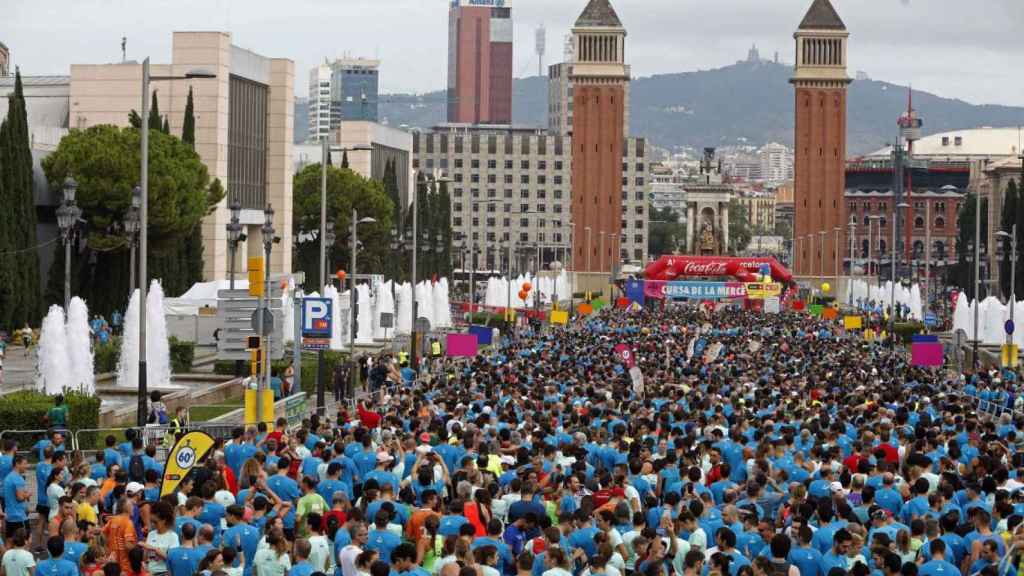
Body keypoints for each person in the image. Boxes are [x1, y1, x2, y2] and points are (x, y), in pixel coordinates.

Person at [104, 496, 139, 574]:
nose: (133, 508)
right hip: (124, 566)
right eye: (132, 505)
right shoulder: (128, 523)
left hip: (111, 563)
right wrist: (138, 551)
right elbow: (128, 545)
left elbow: (103, 536)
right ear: (126, 508)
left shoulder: (112, 520)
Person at [3, 455, 31, 538]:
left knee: (9, 541)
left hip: (9, 515)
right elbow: (20, 498)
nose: (27, 466)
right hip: (19, 516)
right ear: (17, 464)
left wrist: (24, 494)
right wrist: (28, 494)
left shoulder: (8, 477)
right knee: (27, 540)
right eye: (25, 464)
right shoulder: (18, 479)